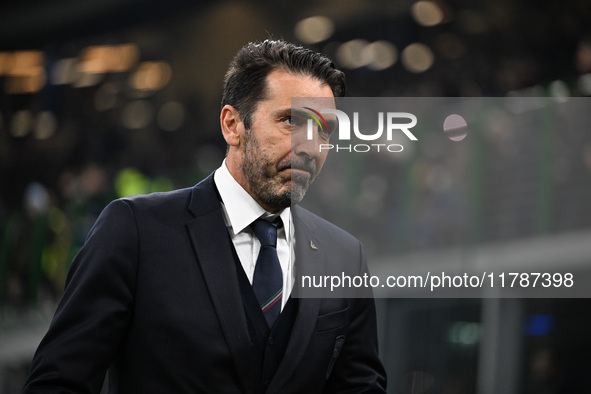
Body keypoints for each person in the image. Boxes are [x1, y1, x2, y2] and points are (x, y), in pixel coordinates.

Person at [23, 40, 387, 393]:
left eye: (325, 130)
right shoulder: (135, 231)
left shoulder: (345, 257)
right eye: (291, 121)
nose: (311, 146)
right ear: (232, 125)